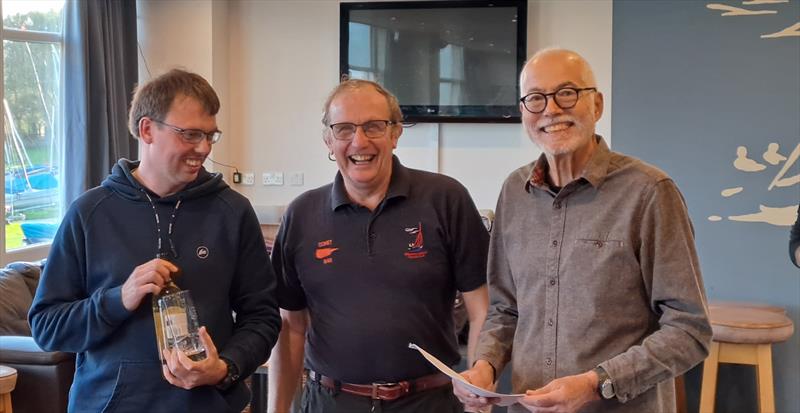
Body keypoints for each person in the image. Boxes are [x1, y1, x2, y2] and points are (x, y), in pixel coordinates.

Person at [454, 48, 712, 413]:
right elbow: (505, 310)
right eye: (536, 98)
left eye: (567, 93)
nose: (551, 109)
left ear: (597, 105)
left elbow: (689, 330)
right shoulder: (514, 192)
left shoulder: (649, 192)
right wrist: (485, 366)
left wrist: (598, 384)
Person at [29, 69, 281, 412]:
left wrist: (224, 368)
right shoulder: (89, 213)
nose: (204, 148)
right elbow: (47, 327)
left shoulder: (232, 212)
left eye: (210, 136)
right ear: (147, 129)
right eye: (190, 134)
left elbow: (263, 317)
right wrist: (118, 299)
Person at [268, 79, 490, 413]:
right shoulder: (301, 215)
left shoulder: (446, 199)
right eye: (344, 129)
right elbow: (290, 327)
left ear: (395, 132)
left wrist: (479, 389)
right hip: (330, 403)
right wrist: (277, 410)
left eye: (374, 126)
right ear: (328, 140)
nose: (359, 141)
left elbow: (483, 308)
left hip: (429, 404)